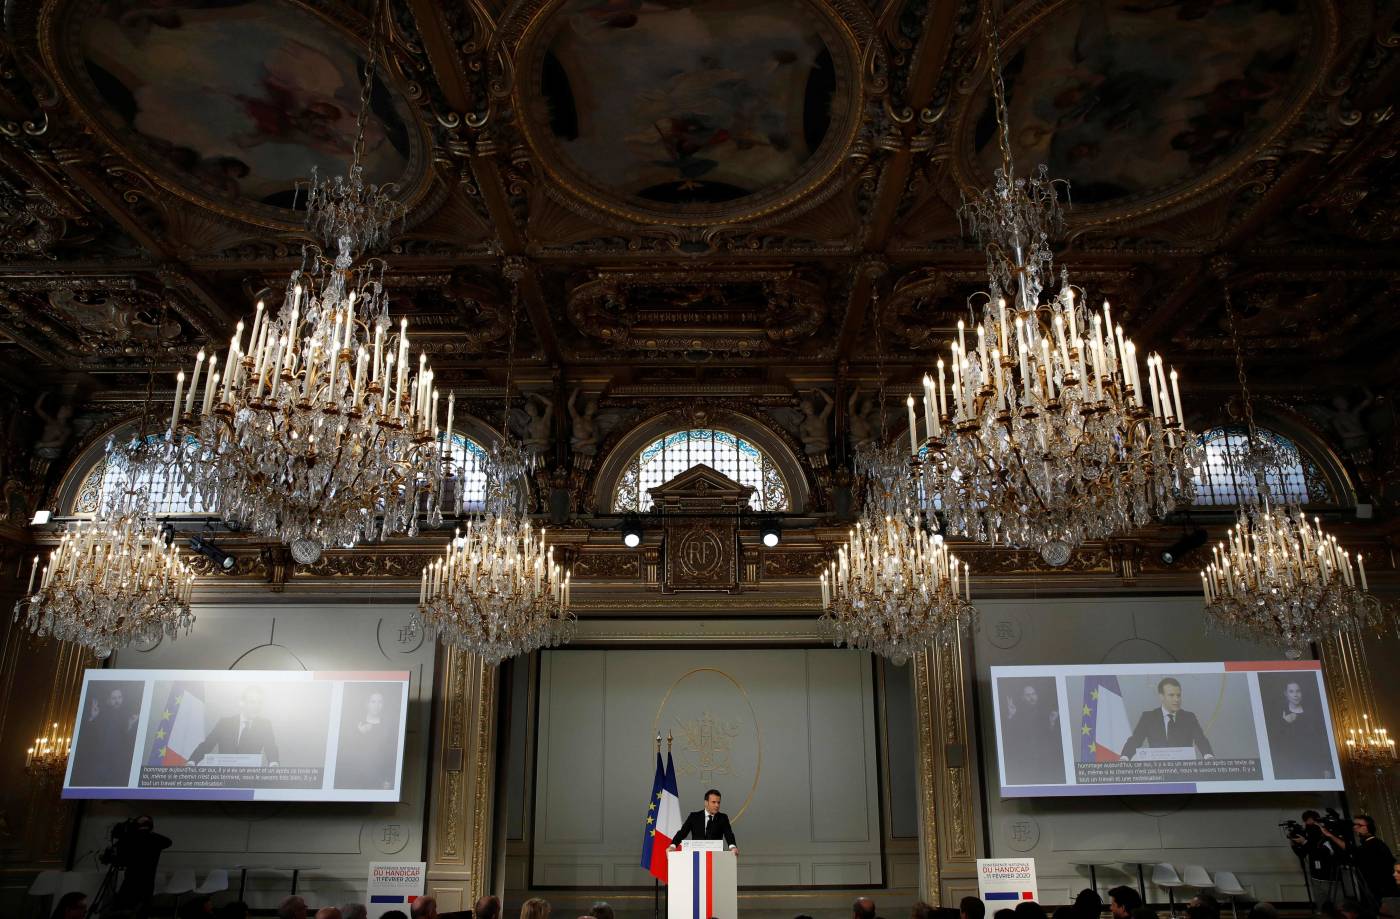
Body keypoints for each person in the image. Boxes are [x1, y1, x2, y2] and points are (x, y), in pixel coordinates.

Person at [1121, 678, 1215, 760]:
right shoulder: (1148, 717)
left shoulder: (1189, 717)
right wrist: (1124, 758)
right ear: (1161, 697)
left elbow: (1201, 739)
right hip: (1158, 772)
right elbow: (1135, 740)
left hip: (1184, 771)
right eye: (1171, 695)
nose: (1176, 699)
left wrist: (1208, 756)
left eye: (1178, 695)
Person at [190, 686, 280, 766]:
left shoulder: (265, 725)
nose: (257, 706)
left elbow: (271, 747)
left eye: (260, 702)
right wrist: (192, 761)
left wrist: (274, 763)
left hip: (249, 779)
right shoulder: (225, 723)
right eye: (252, 702)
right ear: (242, 703)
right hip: (224, 778)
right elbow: (207, 745)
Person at [71, 684, 140, 786]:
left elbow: (128, 742)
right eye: (114, 698)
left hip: (119, 764)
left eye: (119, 698)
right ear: (109, 700)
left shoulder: (128, 715)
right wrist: (92, 718)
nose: (117, 701)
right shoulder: (101, 714)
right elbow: (89, 738)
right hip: (100, 761)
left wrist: (130, 726)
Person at [1268, 679, 1333, 778]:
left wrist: (1326, 768)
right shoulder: (1280, 715)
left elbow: (1322, 743)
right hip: (1290, 768)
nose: (1295, 695)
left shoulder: (1313, 714)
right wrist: (1285, 723)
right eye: (1291, 691)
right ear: (1286, 693)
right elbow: (1275, 744)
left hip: (1313, 766)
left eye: (1298, 691)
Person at [1002, 681, 1065, 784]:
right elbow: (1009, 740)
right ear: (1022, 698)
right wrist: (1011, 716)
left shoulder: (1045, 713)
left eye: (1034, 694)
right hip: (1025, 764)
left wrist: (1052, 723)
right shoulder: (1017, 714)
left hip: (1044, 764)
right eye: (1028, 695)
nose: (1032, 697)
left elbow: (1050, 739)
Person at [110, 815, 173, 913]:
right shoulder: (156, 839)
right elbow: (168, 842)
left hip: (131, 881)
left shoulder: (129, 837)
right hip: (148, 882)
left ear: (136, 825)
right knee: (142, 911)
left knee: (124, 909)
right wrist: (147, 832)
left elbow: (120, 859)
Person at [1331, 816, 1399, 905]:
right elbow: (1353, 851)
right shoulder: (1369, 843)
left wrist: (1331, 836)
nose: (1354, 827)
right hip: (1378, 888)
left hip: (1384, 890)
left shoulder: (1373, 844)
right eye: (1354, 824)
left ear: (1366, 828)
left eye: (1358, 825)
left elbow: (1353, 851)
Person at [671, 789, 738, 852]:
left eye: (718, 802)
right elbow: (682, 833)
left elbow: (729, 834)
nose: (717, 805)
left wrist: (732, 847)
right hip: (696, 857)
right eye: (713, 802)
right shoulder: (694, 817)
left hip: (716, 856)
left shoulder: (723, 818)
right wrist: (673, 846)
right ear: (706, 802)